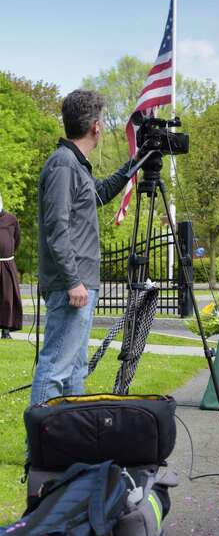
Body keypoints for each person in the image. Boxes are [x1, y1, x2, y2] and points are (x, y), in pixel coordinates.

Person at [30, 90, 134, 406]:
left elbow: (98, 194)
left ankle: (71, 444)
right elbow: (56, 228)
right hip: (70, 285)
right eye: (101, 120)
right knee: (55, 369)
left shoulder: (76, 165)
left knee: (75, 370)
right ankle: (38, 451)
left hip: (80, 284)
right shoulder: (63, 165)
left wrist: (133, 165)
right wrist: (73, 280)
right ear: (95, 127)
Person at [0, 193, 22, 340]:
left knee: (7, 298)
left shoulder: (11, 219)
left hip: (7, 263)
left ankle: (5, 330)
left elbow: (17, 239)